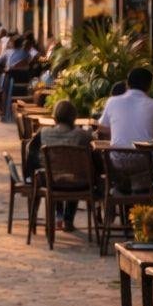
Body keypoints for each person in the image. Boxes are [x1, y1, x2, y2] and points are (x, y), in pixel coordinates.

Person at [26, 99, 93, 232]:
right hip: (77, 183)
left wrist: (31, 173)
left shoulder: (43, 133)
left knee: (54, 172)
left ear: (55, 116)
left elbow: (30, 150)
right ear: (74, 117)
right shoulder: (82, 135)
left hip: (50, 181)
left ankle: (58, 216)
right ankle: (68, 220)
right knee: (74, 171)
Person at [97, 67, 153, 147]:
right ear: (149, 85)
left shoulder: (112, 101)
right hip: (147, 157)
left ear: (127, 84)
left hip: (116, 157)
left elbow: (102, 128)